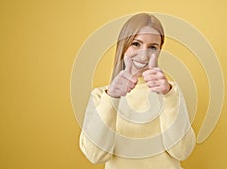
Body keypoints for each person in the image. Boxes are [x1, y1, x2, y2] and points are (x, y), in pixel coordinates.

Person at [79, 13, 196, 169]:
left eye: (153, 47)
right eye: (136, 44)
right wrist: (112, 98)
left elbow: (182, 151)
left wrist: (168, 96)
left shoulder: (170, 92)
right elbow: (95, 155)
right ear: (123, 45)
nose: (143, 54)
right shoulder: (101, 96)